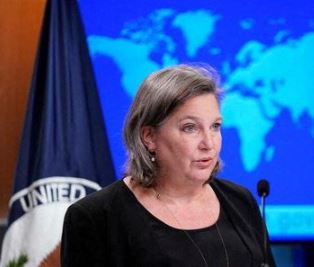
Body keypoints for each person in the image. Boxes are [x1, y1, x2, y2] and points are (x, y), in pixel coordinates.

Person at [61, 64, 276, 267]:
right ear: (149, 137)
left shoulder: (240, 201)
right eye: (190, 128)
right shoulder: (95, 217)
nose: (209, 143)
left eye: (215, 126)